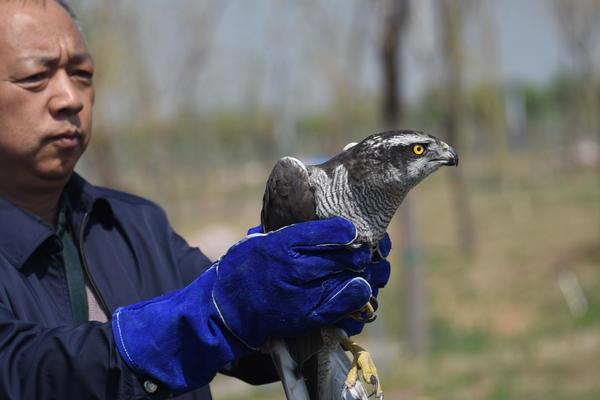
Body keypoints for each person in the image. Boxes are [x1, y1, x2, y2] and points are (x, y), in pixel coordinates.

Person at [0, 1, 391, 399]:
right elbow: (28, 371)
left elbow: (246, 346)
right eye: (36, 77)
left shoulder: (134, 223)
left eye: (82, 73)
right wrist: (205, 318)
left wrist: (299, 293)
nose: (70, 98)